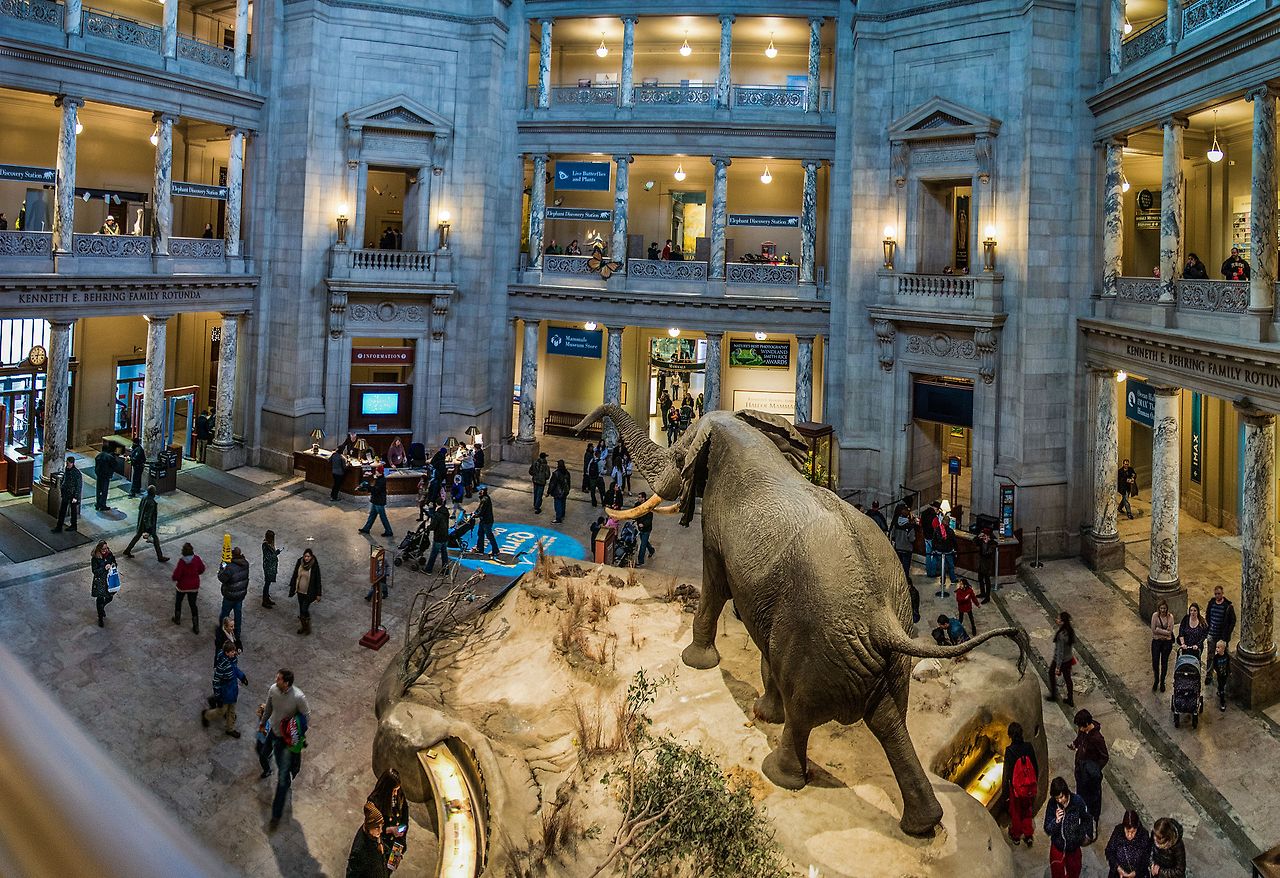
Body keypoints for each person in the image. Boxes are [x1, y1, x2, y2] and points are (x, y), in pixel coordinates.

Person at [261, 668, 311, 830]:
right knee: (265, 754)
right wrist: (262, 723)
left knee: (282, 776)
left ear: (287, 683)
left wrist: (296, 731)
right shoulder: (273, 690)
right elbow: (268, 708)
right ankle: (288, 769)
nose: (276, 679)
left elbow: (306, 716)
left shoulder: (298, 697)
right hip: (273, 732)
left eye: (279, 678)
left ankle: (276, 815)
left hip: (287, 740)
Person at [1043, 776, 1090, 878]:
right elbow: (1047, 829)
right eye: (1057, 798)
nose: (1060, 801)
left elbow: (1087, 819)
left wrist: (1080, 835)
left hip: (1073, 846)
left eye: (1061, 797)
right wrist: (1056, 821)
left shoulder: (1077, 801)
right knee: (1056, 871)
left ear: (1066, 792)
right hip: (1058, 845)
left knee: (1075, 870)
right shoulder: (1052, 804)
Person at [201, 638, 248, 738]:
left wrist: (242, 677)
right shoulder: (222, 665)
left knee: (232, 711)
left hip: (233, 690)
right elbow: (216, 681)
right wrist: (218, 696)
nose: (234, 653)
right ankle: (206, 714)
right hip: (225, 692)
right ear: (227, 653)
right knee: (221, 711)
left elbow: (235, 669)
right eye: (232, 651)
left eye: (234, 651)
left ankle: (230, 729)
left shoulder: (233, 659)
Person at [1003, 721, 1038, 847]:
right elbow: (1035, 766)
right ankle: (1028, 834)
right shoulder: (1028, 747)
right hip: (1028, 787)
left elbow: (1007, 773)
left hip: (1016, 789)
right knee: (1027, 810)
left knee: (1016, 812)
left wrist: (1005, 793)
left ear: (1010, 736)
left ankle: (1016, 835)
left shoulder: (1009, 751)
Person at [367, 768, 409, 867]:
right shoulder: (375, 803)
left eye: (397, 790)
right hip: (383, 843)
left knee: (392, 866)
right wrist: (390, 830)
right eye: (393, 790)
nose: (395, 793)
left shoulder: (399, 793)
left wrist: (402, 832)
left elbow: (405, 814)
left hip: (397, 841)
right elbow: (372, 830)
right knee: (383, 868)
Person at [122, 485, 169, 562]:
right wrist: (149, 527)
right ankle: (160, 557)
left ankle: (127, 550)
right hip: (148, 524)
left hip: (141, 522)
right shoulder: (151, 503)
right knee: (155, 539)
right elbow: (147, 516)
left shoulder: (144, 498)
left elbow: (140, 508)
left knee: (137, 536)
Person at [1104, 810, 1151, 878]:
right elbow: (1109, 851)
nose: (1129, 835)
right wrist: (1118, 868)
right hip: (1118, 874)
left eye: (1133, 832)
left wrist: (1136, 873)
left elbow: (1146, 858)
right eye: (1127, 831)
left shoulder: (1143, 835)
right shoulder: (1118, 831)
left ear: (1137, 828)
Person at [218, 546, 250, 643]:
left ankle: (222, 631)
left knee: (224, 613)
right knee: (238, 614)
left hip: (230, 596)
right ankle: (237, 633)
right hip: (240, 595)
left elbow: (221, 578)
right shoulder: (246, 563)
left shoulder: (229, 567)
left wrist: (222, 567)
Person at [171, 542, 205, 633]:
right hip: (194, 586)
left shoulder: (182, 562)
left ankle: (177, 619)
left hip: (182, 586)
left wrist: (175, 578)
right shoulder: (197, 559)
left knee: (178, 602)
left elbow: (176, 575)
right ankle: (196, 626)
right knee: (193, 605)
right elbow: (202, 569)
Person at [346, 803, 387, 877]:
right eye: (377, 827)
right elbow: (351, 874)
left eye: (381, 826)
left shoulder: (373, 834)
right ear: (370, 826)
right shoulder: (359, 850)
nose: (380, 831)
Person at [1203, 585, 1236, 676]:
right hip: (1212, 634)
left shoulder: (1227, 606)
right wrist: (1209, 627)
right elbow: (1208, 615)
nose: (1217, 596)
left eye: (1219, 594)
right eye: (1216, 594)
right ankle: (1209, 674)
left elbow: (1232, 621)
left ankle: (1224, 672)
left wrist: (1226, 635)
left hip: (1222, 636)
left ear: (1222, 594)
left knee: (1224, 655)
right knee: (1210, 655)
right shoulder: (1212, 603)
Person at [287, 548, 322, 635]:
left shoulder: (314, 566)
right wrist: (292, 586)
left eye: (308, 556)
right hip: (300, 591)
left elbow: (318, 580)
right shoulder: (300, 562)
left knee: (304, 609)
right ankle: (304, 627)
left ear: (311, 557)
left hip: (309, 592)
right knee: (302, 610)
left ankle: (307, 627)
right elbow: (295, 574)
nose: (306, 558)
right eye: (305, 556)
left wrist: (318, 593)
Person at [1048, 611, 1076, 706]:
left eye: (1058, 619)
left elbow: (1060, 652)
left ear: (1062, 622)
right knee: (1068, 679)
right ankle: (1070, 698)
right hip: (1068, 659)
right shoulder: (1070, 631)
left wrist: (1058, 667)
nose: (1056, 620)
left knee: (1051, 673)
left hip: (1060, 661)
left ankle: (1053, 695)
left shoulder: (1061, 635)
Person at [358, 464, 394, 538]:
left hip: (379, 501)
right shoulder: (379, 479)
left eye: (376, 471)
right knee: (372, 515)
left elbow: (376, 490)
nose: (375, 472)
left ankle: (389, 531)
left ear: (379, 472)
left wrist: (368, 486)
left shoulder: (381, 480)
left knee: (383, 517)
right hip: (376, 500)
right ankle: (366, 528)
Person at [90, 541, 118, 627]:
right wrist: (104, 568)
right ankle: (100, 617)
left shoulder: (109, 554)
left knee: (110, 597)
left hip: (109, 579)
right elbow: (95, 571)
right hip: (100, 581)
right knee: (100, 598)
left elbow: (115, 563)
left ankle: (101, 608)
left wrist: (112, 565)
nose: (105, 550)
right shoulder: (95, 558)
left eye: (106, 548)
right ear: (99, 549)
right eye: (103, 549)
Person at [1150, 598, 1175, 693]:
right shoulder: (1155, 616)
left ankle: (1162, 682)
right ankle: (1156, 680)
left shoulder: (1170, 617)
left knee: (1164, 663)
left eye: (1164, 608)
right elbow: (1153, 629)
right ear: (1158, 609)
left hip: (1166, 643)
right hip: (1156, 642)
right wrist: (1164, 632)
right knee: (1155, 662)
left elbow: (1170, 632)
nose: (1163, 610)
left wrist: (1159, 630)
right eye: (1161, 608)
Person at [52, 456, 82, 533]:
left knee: (73, 511)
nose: (67, 464)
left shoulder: (77, 473)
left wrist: (75, 496)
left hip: (72, 495)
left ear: (72, 463)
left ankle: (73, 525)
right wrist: (62, 487)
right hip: (66, 493)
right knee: (62, 510)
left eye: (68, 463)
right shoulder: (67, 470)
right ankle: (59, 527)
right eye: (67, 463)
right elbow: (64, 479)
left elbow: (78, 486)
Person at [933, 514, 960, 597]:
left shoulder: (937, 530)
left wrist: (934, 549)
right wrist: (955, 549)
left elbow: (934, 540)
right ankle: (952, 579)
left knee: (943, 566)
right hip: (947, 551)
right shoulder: (950, 531)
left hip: (939, 550)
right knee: (950, 565)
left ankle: (943, 580)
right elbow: (954, 541)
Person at [890, 505, 916, 581]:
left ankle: (898, 579)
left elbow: (893, 536)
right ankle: (905, 581)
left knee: (899, 566)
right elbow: (912, 539)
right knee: (906, 567)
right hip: (907, 549)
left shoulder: (896, 524)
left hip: (898, 547)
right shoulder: (910, 526)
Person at [424, 504, 452, 574]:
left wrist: (428, 528)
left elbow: (433, 526)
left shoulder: (437, 514)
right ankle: (445, 570)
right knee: (444, 554)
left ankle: (428, 570)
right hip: (445, 536)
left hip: (438, 537)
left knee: (433, 554)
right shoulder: (446, 512)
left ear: (436, 504)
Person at [475, 486, 499, 557]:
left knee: (489, 536)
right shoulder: (484, 498)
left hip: (487, 521)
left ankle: (496, 550)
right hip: (483, 520)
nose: (479, 492)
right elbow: (479, 508)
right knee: (480, 533)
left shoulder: (485, 500)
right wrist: (475, 512)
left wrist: (475, 515)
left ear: (483, 491)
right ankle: (480, 549)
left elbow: (481, 511)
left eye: (480, 491)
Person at [635, 493, 657, 566]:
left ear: (643, 498)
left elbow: (649, 519)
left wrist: (643, 524)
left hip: (646, 529)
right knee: (645, 542)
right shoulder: (637, 504)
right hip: (640, 528)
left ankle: (640, 561)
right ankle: (651, 550)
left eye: (639, 497)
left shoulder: (649, 507)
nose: (638, 498)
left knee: (643, 545)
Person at [1209, 640, 1231, 712]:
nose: (1216, 649)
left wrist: (1229, 671)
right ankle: (1222, 703)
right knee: (1222, 688)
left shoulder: (1226, 656)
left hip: (1225, 674)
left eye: (1218, 647)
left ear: (1223, 649)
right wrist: (1216, 671)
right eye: (1216, 647)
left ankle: (1219, 690)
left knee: (1223, 684)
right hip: (1219, 675)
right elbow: (1214, 665)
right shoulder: (1216, 657)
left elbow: (1228, 664)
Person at [93, 445, 117, 511]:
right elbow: (114, 465)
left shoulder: (98, 456)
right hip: (105, 476)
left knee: (98, 490)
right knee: (104, 490)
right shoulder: (109, 457)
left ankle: (98, 503)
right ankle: (103, 505)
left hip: (99, 475)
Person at [262, 530, 281, 609]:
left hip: (271, 567)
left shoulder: (270, 544)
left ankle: (267, 597)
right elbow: (268, 557)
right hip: (268, 567)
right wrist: (276, 553)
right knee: (267, 583)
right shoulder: (265, 545)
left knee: (268, 583)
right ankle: (265, 600)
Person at [976, 528, 996, 602]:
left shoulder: (992, 543)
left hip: (987, 565)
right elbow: (974, 541)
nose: (983, 536)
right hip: (981, 563)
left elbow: (987, 553)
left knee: (987, 581)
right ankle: (982, 592)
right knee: (980, 579)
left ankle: (987, 597)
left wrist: (986, 543)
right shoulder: (982, 541)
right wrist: (978, 536)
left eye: (985, 535)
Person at [549, 459, 571, 524]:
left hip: (558, 492)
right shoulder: (567, 472)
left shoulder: (556, 473)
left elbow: (552, 484)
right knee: (563, 503)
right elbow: (569, 482)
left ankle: (558, 518)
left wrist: (549, 491)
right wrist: (568, 489)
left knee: (558, 505)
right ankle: (562, 514)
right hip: (565, 491)